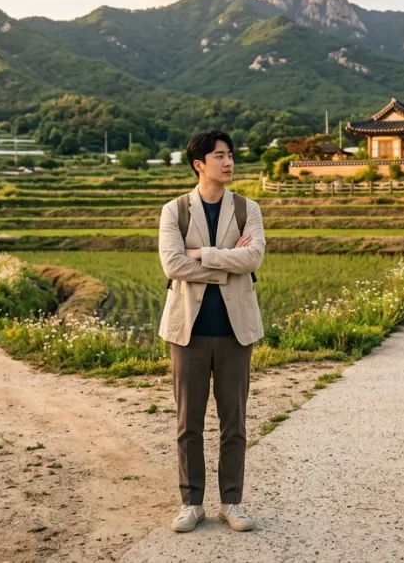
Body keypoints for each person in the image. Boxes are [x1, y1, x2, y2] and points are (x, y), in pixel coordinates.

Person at [157, 130, 266, 533]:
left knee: (234, 421)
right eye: (219, 156)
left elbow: (254, 255)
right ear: (199, 164)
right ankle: (192, 503)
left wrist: (202, 254)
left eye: (231, 155)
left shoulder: (246, 208)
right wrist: (228, 262)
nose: (229, 162)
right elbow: (172, 265)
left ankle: (232, 502)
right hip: (188, 330)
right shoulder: (175, 210)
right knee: (189, 421)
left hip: (236, 331)